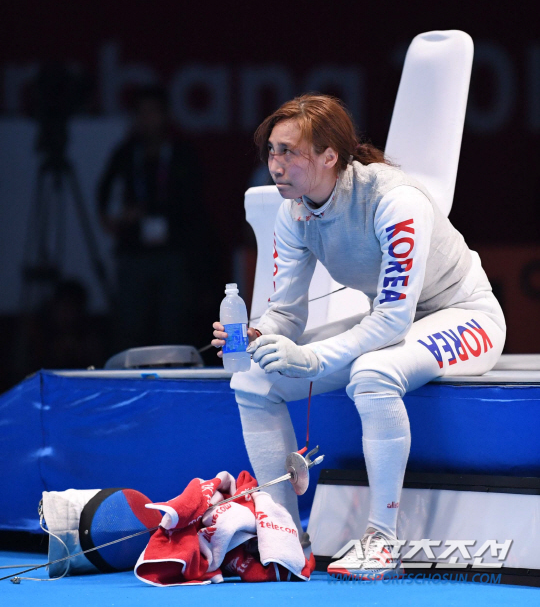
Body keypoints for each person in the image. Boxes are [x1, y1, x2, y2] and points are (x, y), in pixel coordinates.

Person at [211, 94, 506, 579]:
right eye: (272, 150)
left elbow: (390, 321)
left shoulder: (396, 200)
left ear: (330, 156)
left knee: (373, 371)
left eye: (289, 152)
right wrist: (260, 334)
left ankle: (383, 542)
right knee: (254, 383)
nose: (275, 164)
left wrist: (310, 359)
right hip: (400, 322)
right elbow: (287, 312)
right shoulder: (296, 213)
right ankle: (285, 535)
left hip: (464, 316)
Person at [97, 85, 205, 352]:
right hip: (134, 253)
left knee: (174, 326)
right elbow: (104, 190)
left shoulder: (181, 153)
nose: (147, 120)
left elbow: (194, 198)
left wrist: (151, 208)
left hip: (174, 252)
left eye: (153, 113)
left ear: (165, 115)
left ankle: (174, 386)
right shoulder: (126, 152)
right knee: (131, 327)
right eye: (141, 113)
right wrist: (111, 217)